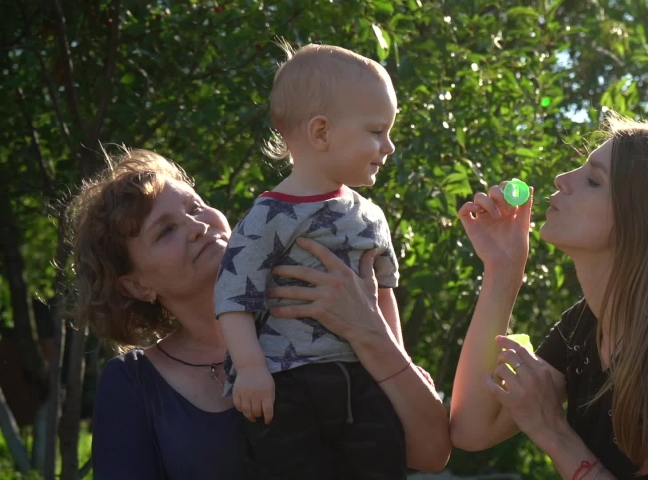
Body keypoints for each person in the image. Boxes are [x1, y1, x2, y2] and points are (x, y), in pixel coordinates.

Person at [71, 148, 450, 480]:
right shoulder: (134, 384)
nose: (197, 226)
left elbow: (431, 453)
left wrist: (372, 334)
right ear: (137, 286)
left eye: (196, 206)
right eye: (165, 230)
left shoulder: (330, 310)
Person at [448, 116, 648, 479]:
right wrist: (503, 271)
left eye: (593, 181)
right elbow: (471, 430)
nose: (561, 180)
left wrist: (553, 432)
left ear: (641, 223)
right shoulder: (587, 327)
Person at [213, 42, 412, 479]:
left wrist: (401, 363)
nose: (389, 146)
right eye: (377, 131)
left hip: (364, 378)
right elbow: (232, 297)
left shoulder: (371, 216)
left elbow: (383, 293)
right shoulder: (269, 215)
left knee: (383, 461)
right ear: (321, 133)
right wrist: (249, 369)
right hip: (286, 384)